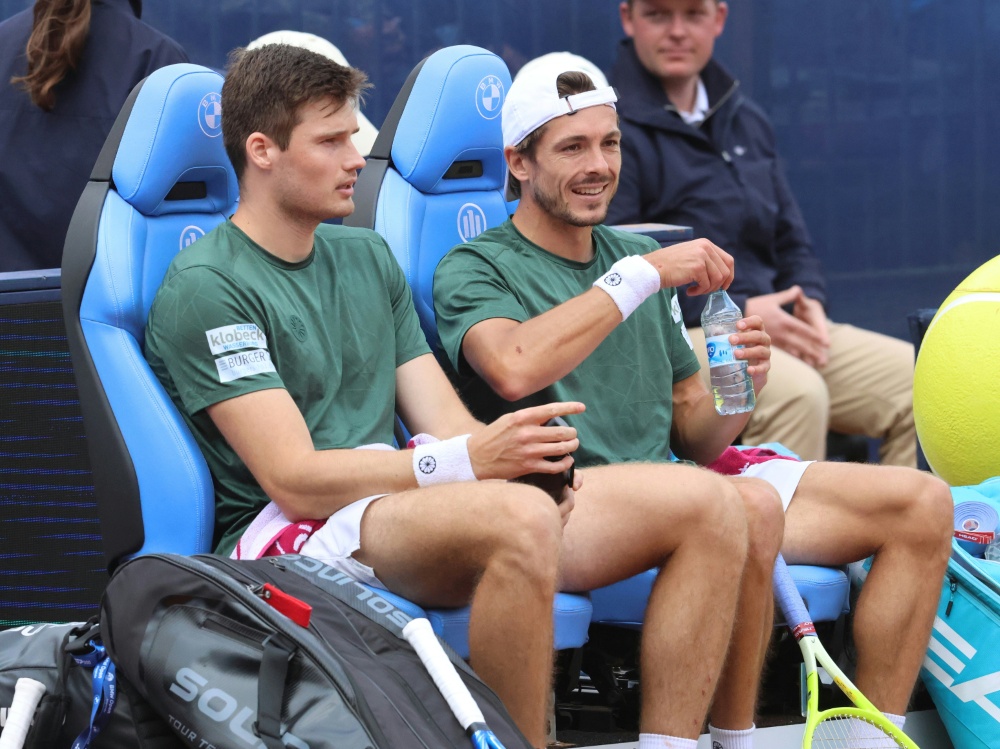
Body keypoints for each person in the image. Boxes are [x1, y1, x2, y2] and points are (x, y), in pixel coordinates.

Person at [432, 64, 953, 749]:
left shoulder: (633, 254)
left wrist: (740, 386)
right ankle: (720, 740)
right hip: (563, 504)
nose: (598, 166)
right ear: (518, 162)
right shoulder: (475, 265)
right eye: (572, 147)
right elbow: (512, 366)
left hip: (678, 487)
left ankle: (872, 742)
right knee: (734, 502)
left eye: (610, 143)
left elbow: (695, 436)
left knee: (922, 503)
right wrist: (638, 276)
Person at [143, 42, 590, 748]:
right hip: (283, 538)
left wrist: (520, 459)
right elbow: (294, 480)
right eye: (332, 141)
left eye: (353, 135)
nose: (357, 158)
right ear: (261, 150)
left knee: (710, 504)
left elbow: (446, 424)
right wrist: (472, 464)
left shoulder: (367, 255)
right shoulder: (206, 285)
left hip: (389, 507)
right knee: (522, 518)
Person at [605, 0, 917, 466]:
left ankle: (906, 515)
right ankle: (783, 518)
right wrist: (746, 309)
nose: (677, 31)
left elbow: (793, 240)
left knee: (919, 379)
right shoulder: (612, 130)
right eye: (658, 14)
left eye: (693, 14)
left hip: (776, 319)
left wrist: (809, 301)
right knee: (799, 394)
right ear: (628, 18)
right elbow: (617, 269)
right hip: (686, 331)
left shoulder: (745, 118)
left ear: (719, 18)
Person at [0, 0, 188, 272]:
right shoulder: (158, 61)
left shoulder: (4, 43)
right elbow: (180, 217)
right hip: (108, 292)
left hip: (9, 292)